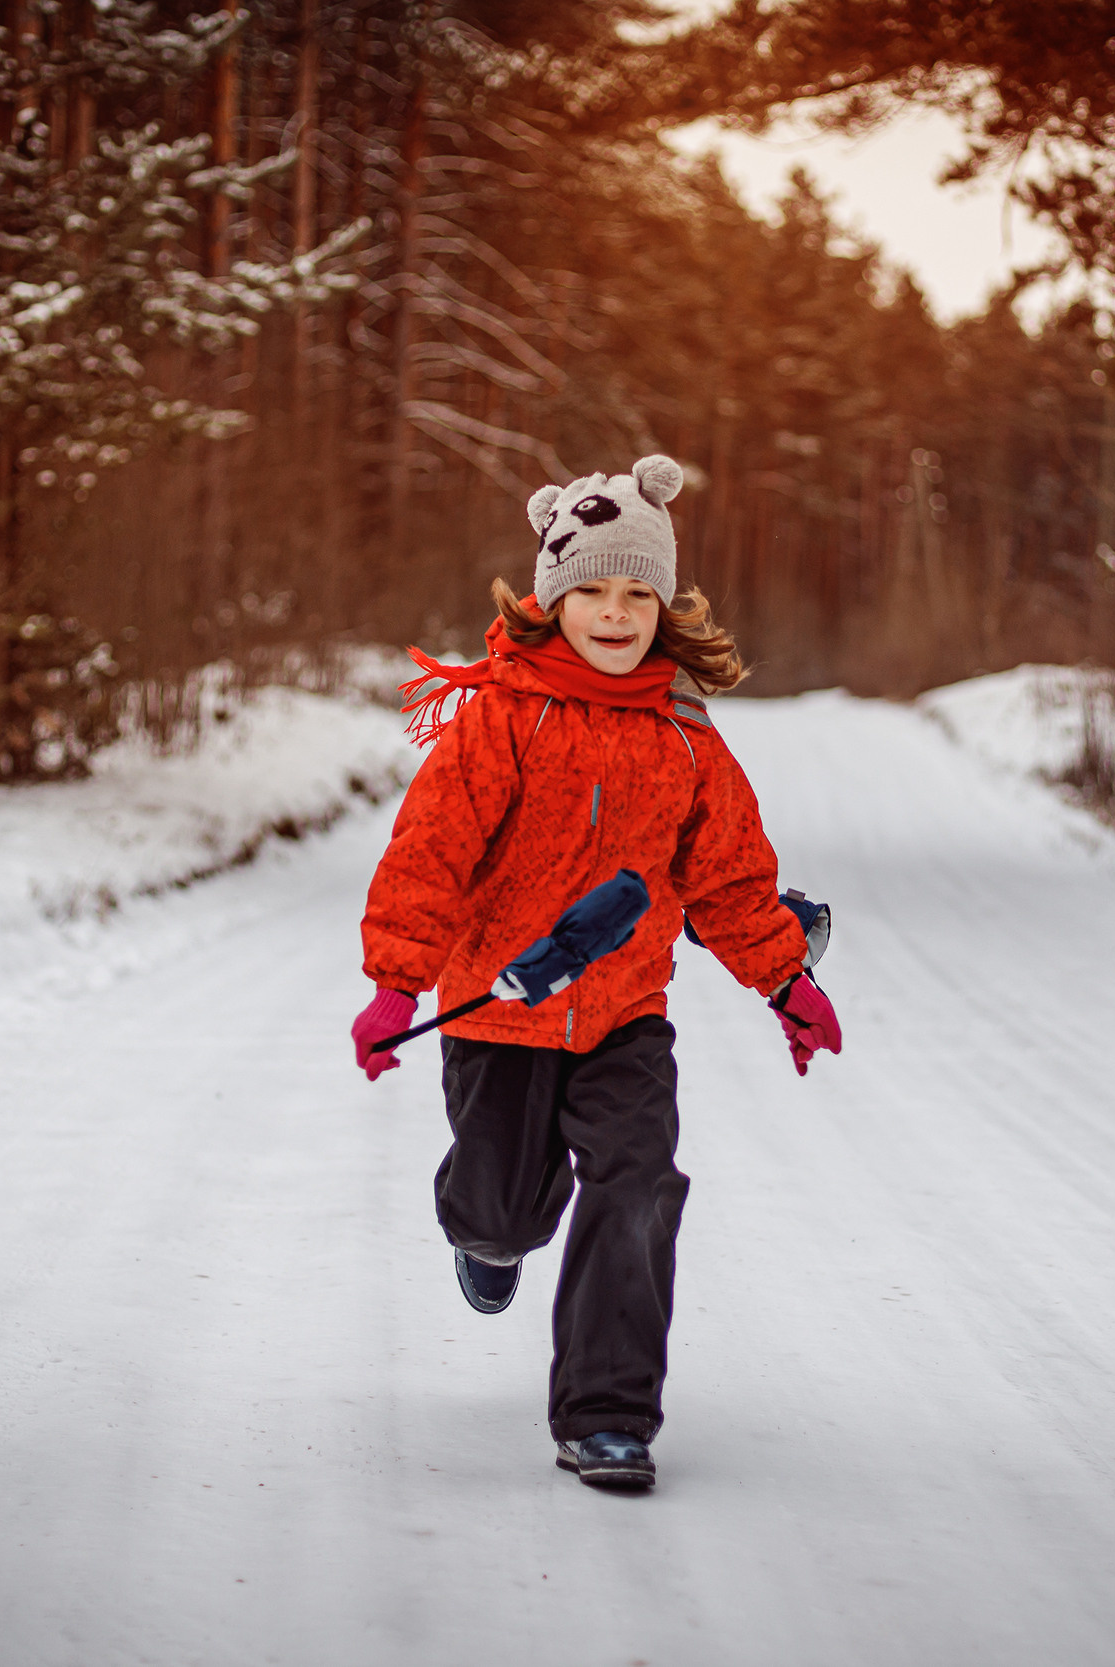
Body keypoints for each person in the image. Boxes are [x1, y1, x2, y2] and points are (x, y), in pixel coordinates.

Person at [350, 455, 844, 1492]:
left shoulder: (686, 738)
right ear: (551, 597)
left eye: (635, 592)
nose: (614, 614)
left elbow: (731, 882)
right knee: (499, 1207)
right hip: (498, 1014)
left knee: (637, 1182)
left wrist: (787, 981)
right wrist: (397, 982)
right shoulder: (498, 716)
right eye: (591, 590)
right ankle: (485, 1237)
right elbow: (427, 853)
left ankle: (608, 1415)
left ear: (661, 605)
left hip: (626, 1014)